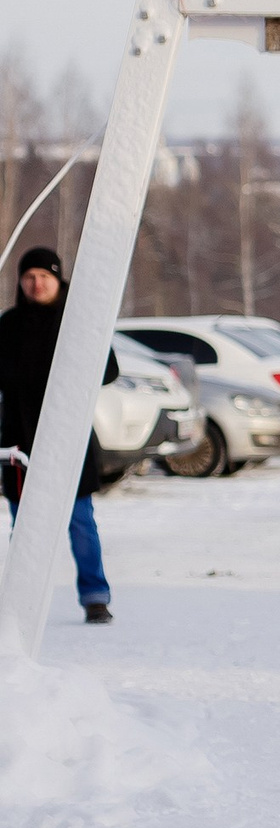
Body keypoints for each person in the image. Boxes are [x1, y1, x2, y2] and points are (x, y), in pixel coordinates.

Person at [0, 245, 116, 624]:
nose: (36, 284)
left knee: (80, 522)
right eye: (29, 277)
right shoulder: (8, 325)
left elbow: (109, 371)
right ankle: (22, 603)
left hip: (69, 440)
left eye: (44, 277)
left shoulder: (78, 320)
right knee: (25, 527)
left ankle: (95, 597)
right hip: (20, 442)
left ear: (57, 279)